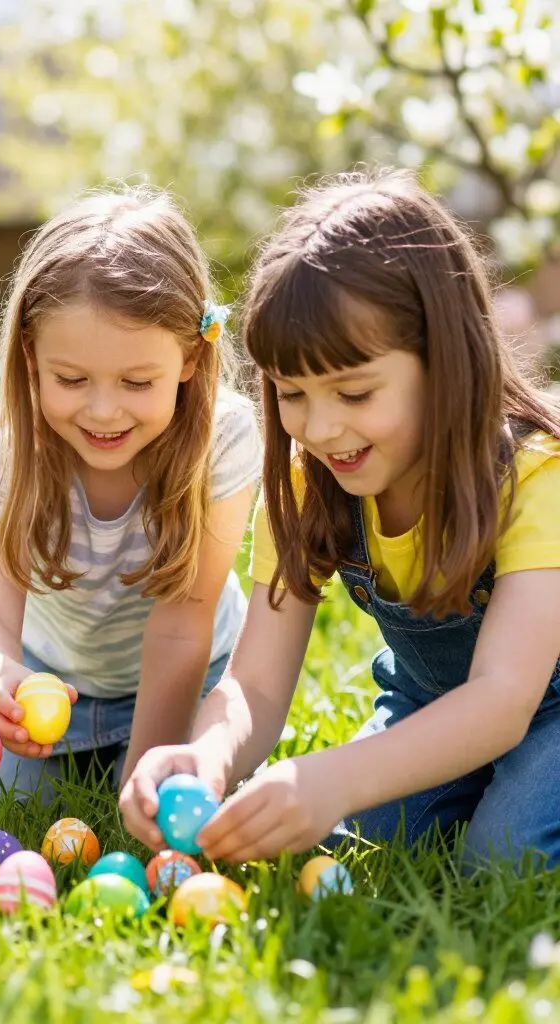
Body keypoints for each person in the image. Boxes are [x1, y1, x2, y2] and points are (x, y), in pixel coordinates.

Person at [121, 170, 560, 869]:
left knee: (505, 858)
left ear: (446, 361)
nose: (321, 429)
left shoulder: (535, 477)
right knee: (336, 839)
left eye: (354, 392)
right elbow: (256, 685)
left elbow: (503, 699)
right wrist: (207, 755)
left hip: (545, 708)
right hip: (432, 705)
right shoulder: (309, 486)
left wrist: (334, 776)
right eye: (292, 393)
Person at [0, 185, 262, 804]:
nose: (102, 410)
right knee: (4, 800)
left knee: (180, 800)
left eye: (136, 381)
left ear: (188, 360)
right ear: (31, 359)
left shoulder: (223, 439)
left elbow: (182, 626)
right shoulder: (10, 454)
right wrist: (2, 676)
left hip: (193, 676)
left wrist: (140, 779)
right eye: (71, 379)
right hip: (57, 686)